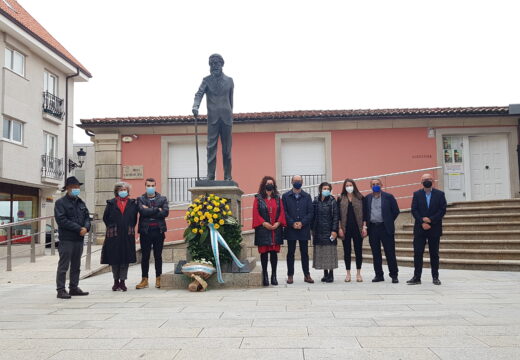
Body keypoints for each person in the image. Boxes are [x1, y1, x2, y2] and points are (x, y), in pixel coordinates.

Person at [192, 53, 234, 181]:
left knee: (227, 150)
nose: (214, 66)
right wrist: (195, 106)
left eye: (217, 63)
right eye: (212, 64)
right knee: (211, 148)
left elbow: (231, 100)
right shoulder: (206, 80)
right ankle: (210, 176)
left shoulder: (230, 80)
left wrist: (230, 115)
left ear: (222, 64)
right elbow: (199, 94)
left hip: (226, 118)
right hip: (213, 118)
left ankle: (227, 176)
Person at [54, 176, 91, 299]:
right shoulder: (60, 203)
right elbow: (62, 220)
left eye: (78, 187)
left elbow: (87, 217)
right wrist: (78, 228)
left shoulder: (81, 202)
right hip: (67, 239)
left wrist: (86, 228)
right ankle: (61, 290)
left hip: (79, 239)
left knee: (76, 265)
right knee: (64, 265)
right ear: (68, 188)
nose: (77, 189)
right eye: (75, 187)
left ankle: (74, 288)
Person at [408, 174, 447, 286]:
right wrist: (422, 221)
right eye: (425, 180)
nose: (427, 181)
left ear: (433, 181)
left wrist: (430, 220)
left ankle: (435, 277)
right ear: (421, 181)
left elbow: (442, 210)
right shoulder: (417, 194)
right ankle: (416, 277)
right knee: (418, 253)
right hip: (420, 229)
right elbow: (414, 210)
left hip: (434, 228)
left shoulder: (440, 194)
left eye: (429, 179)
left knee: (434, 254)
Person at [101, 182, 139, 292]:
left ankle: (122, 281)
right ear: (116, 191)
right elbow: (105, 218)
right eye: (120, 189)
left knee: (125, 259)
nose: (123, 191)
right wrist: (112, 227)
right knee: (114, 259)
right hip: (114, 235)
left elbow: (134, 219)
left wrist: (129, 226)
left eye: (125, 189)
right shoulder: (111, 203)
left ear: (128, 191)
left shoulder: (133, 203)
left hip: (127, 234)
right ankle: (115, 281)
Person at [135, 178, 169, 289]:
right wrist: (157, 209)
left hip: (158, 231)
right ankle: (144, 280)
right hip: (145, 232)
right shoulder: (140, 199)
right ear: (145, 186)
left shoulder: (162, 199)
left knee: (158, 256)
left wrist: (149, 210)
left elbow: (165, 213)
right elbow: (142, 211)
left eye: (152, 185)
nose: (150, 187)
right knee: (145, 256)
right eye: (148, 185)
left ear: (155, 186)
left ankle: (159, 279)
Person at [364, 178, 400, 283]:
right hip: (373, 228)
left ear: (382, 185)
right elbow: (365, 213)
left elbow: (395, 211)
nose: (376, 185)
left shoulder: (389, 197)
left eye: (378, 184)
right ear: (370, 186)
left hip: (386, 228)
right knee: (376, 253)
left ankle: (394, 275)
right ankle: (379, 275)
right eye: (373, 184)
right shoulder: (367, 198)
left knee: (390, 252)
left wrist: (388, 220)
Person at [252, 176, 286, 286]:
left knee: (274, 254)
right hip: (263, 230)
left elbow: (282, 212)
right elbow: (255, 213)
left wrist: (278, 223)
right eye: (268, 183)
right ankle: (265, 276)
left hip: (275, 230)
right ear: (264, 185)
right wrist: (264, 223)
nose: (269, 185)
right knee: (264, 254)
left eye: (271, 183)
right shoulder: (258, 198)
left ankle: (274, 276)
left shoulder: (278, 198)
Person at [282, 175, 314, 284]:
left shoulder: (307, 196)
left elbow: (311, 212)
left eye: (299, 181)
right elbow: (284, 212)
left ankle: (307, 275)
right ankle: (290, 275)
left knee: (304, 253)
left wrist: (302, 223)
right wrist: (292, 223)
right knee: (290, 252)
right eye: (295, 181)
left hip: (303, 229)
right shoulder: (285, 196)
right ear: (291, 182)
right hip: (291, 229)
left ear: (302, 182)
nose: (297, 182)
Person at [338, 178, 367, 283]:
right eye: (347, 185)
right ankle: (348, 274)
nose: (349, 187)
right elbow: (338, 216)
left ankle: (358, 273)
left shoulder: (360, 198)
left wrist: (364, 227)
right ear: (344, 187)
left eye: (350, 185)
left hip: (358, 228)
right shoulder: (341, 198)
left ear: (354, 186)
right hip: (345, 229)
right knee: (347, 251)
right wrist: (339, 228)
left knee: (358, 251)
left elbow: (365, 214)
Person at [312, 182, 339, 283]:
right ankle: (325, 274)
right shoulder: (315, 200)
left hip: (329, 230)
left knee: (330, 252)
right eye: (324, 188)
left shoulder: (333, 201)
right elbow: (312, 214)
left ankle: (331, 275)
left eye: (328, 188)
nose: (326, 190)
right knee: (322, 252)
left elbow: (336, 217)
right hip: (318, 230)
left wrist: (334, 230)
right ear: (320, 189)